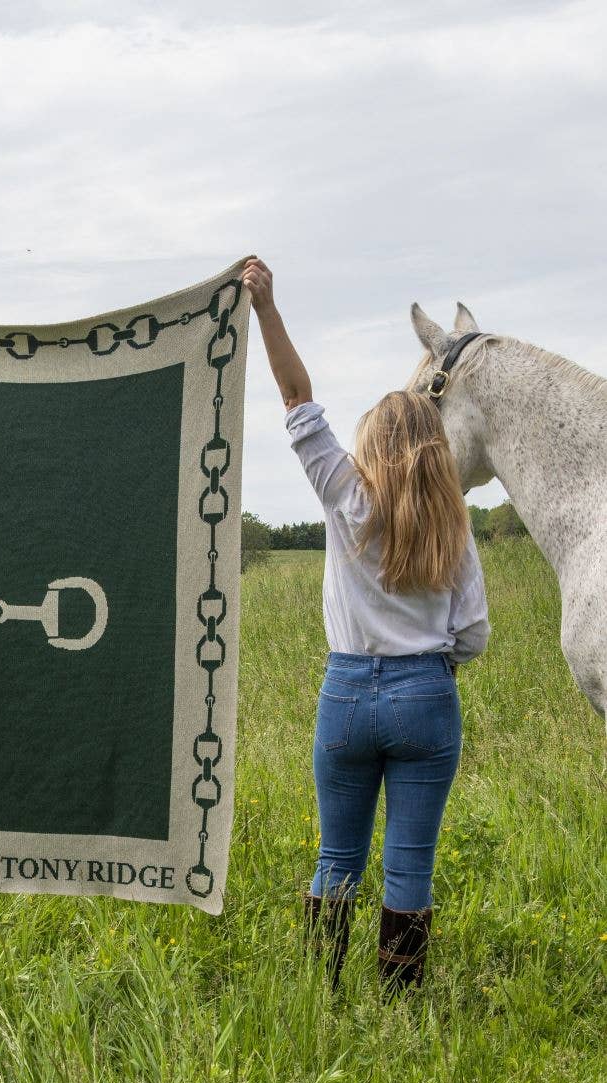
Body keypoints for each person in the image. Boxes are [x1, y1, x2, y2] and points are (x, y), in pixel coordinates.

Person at [241, 256, 489, 995]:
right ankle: (399, 1004)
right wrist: (431, 663)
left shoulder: (342, 494)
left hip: (345, 695)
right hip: (425, 696)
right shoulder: (455, 524)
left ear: (371, 447)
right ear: (435, 452)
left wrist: (265, 309)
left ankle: (324, 991)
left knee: (334, 857)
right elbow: (471, 634)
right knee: (410, 865)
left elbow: (295, 395)